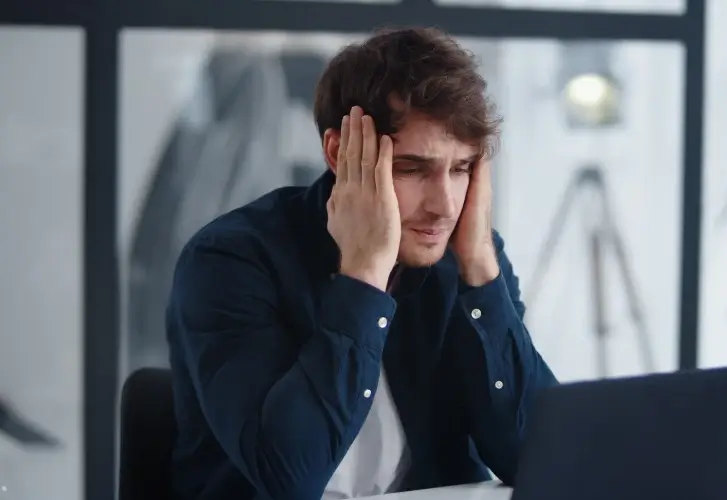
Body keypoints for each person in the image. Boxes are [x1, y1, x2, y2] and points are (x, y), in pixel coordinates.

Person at [167, 26, 557, 500]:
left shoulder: (467, 257)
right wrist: (365, 277)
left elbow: (537, 459)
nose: (444, 204)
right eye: (414, 169)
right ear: (339, 153)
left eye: (461, 169)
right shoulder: (230, 262)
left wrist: (480, 269)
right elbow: (289, 477)